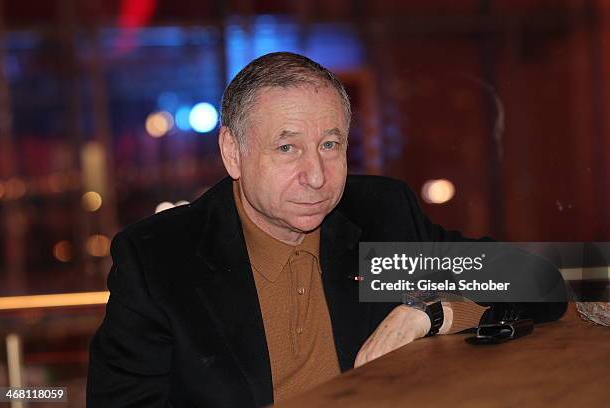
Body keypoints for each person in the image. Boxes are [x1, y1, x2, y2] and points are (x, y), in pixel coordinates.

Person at [86, 52, 567, 407]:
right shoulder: (161, 258)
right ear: (233, 152)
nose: (316, 175)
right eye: (287, 148)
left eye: (330, 144)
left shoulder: (379, 220)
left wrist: (431, 313)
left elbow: (543, 280)